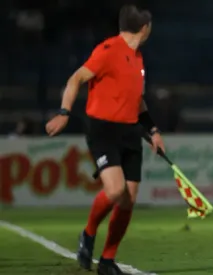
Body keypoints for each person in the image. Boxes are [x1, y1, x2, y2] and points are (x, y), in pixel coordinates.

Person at [45, 5, 164, 275]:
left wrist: (153, 131)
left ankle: (107, 260)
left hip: (131, 131)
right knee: (115, 191)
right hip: (103, 130)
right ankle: (87, 234)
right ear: (145, 28)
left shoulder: (137, 57)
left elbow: (138, 101)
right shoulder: (108, 50)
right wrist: (64, 112)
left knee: (128, 199)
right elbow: (76, 78)